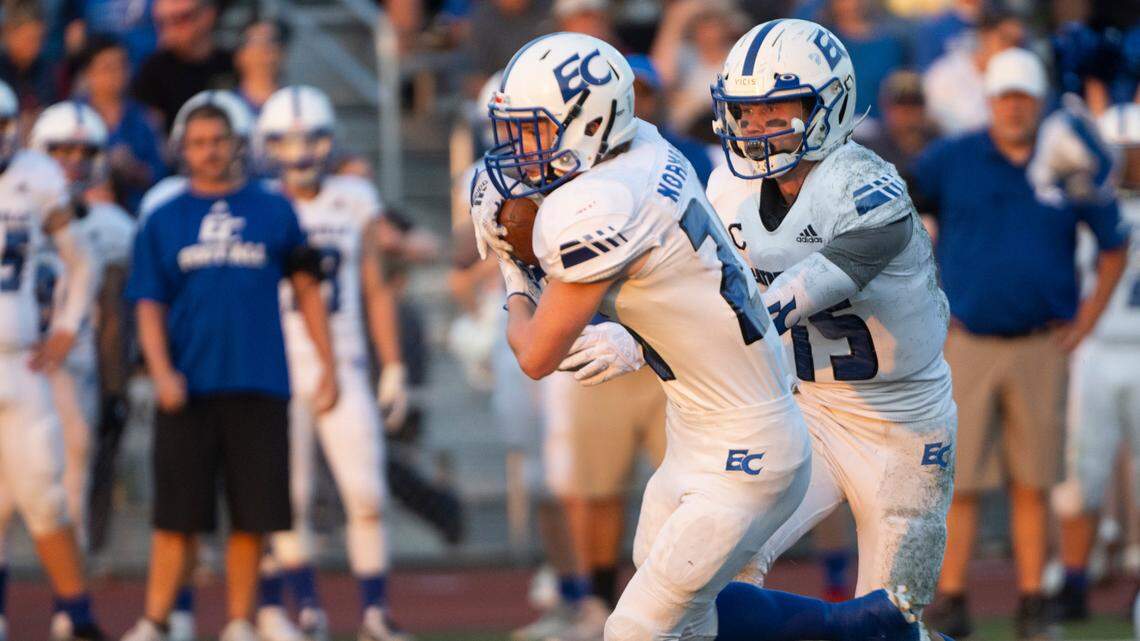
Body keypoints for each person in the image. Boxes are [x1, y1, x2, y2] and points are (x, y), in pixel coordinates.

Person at [474, 31, 937, 641]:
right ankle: (852, 625)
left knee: (895, 605)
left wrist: (524, 274)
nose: (754, 125)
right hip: (791, 405)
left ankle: (862, 626)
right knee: (703, 595)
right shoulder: (697, 170)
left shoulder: (868, 192)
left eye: (778, 108)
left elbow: (779, 299)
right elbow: (710, 294)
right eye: (744, 110)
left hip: (895, 414)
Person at [910, 48, 1128, 640]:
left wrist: (1087, 319)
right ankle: (952, 598)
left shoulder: (1067, 158)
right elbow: (902, 210)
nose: (1013, 108)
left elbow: (1114, 242)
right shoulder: (954, 158)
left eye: (1024, 98)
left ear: (1038, 103)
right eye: (1005, 97)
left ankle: (1033, 599)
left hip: (1040, 344)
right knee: (958, 482)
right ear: (990, 101)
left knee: (1035, 481)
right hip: (969, 340)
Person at [120, 102, 338, 641]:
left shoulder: (274, 210)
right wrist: (160, 370)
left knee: (252, 517)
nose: (209, 150)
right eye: (197, 142)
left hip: (260, 380)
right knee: (176, 519)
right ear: (182, 149)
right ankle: (154, 621)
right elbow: (147, 302)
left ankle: (240, 622)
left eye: (218, 139)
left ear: (237, 143)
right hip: (188, 386)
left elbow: (308, 290)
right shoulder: (163, 217)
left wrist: (328, 365)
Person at [251, 85, 409, 641]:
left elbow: (375, 286)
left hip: (344, 357)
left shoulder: (353, 196)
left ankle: (374, 614)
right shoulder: (259, 201)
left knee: (366, 492)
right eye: (287, 139)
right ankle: (306, 609)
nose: (300, 151)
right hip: (277, 364)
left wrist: (393, 364)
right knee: (286, 497)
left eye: (311, 136)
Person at [0, 80, 105, 641]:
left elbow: (81, 259)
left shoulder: (36, 177)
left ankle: (78, 616)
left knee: (46, 494)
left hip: (21, 360)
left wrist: (66, 327)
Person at [1050, 102, 1140, 622]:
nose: (1128, 162)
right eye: (1121, 152)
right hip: (1096, 348)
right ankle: (1076, 580)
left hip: (1126, 346)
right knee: (1078, 471)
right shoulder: (1078, 204)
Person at [72, 34, 167, 214]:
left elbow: (160, 173)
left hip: (135, 212)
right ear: (88, 74)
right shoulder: (72, 117)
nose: (117, 74)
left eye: (122, 65)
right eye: (107, 68)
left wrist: (134, 169)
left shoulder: (144, 117)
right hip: (83, 211)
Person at [131, 0, 236, 131]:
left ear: (208, 15)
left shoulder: (232, 62)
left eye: (181, 18)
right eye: (163, 21)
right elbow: (151, 130)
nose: (171, 27)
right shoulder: (154, 70)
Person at [922, 3, 1023, 136]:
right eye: (1005, 39)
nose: (1011, 48)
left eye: (1018, 43)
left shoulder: (1021, 82)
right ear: (984, 36)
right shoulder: (943, 76)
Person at [626, 54, 712, 186]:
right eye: (628, 92)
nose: (636, 100)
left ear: (660, 99)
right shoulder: (597, 151)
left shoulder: (690, 151)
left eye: (644, 92)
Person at [861, 70, 936, 176]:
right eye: (901, 103)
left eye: (914, 102)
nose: (908, 111)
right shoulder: (868, 153)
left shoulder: (939, 147)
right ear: (885, 107)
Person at [0, 2, 60, 124]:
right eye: (29, 39)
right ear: (10, 33)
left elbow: (51, 110)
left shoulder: (45, 69)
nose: (36, 46)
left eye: (40, 39)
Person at [233, 18, 289, 115]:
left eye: (271, 40)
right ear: (239, 54)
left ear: (282, 52)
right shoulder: (225, 106)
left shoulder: (297, 105)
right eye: (255, 41)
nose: (264, 48)